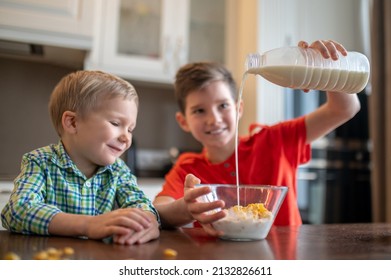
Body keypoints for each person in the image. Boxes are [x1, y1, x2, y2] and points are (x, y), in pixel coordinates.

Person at [153, 40, 361, 236]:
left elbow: (344, 109)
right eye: (199, 110)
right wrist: (185, 208)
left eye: (223, 106)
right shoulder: (188, 169)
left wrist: (330, 66)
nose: (214, 120)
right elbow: (159, 211)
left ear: (239, 108)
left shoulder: (275, 140)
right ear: (184, 121)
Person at [1, 70, 160, 245]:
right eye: (115, 123)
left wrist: (148, 221)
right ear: (72, 122)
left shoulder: (118, 171)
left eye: (130, 129)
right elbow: (17, 210)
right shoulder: (40, 161)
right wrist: (88, 225)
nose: (126, 138)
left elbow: (138, 202)